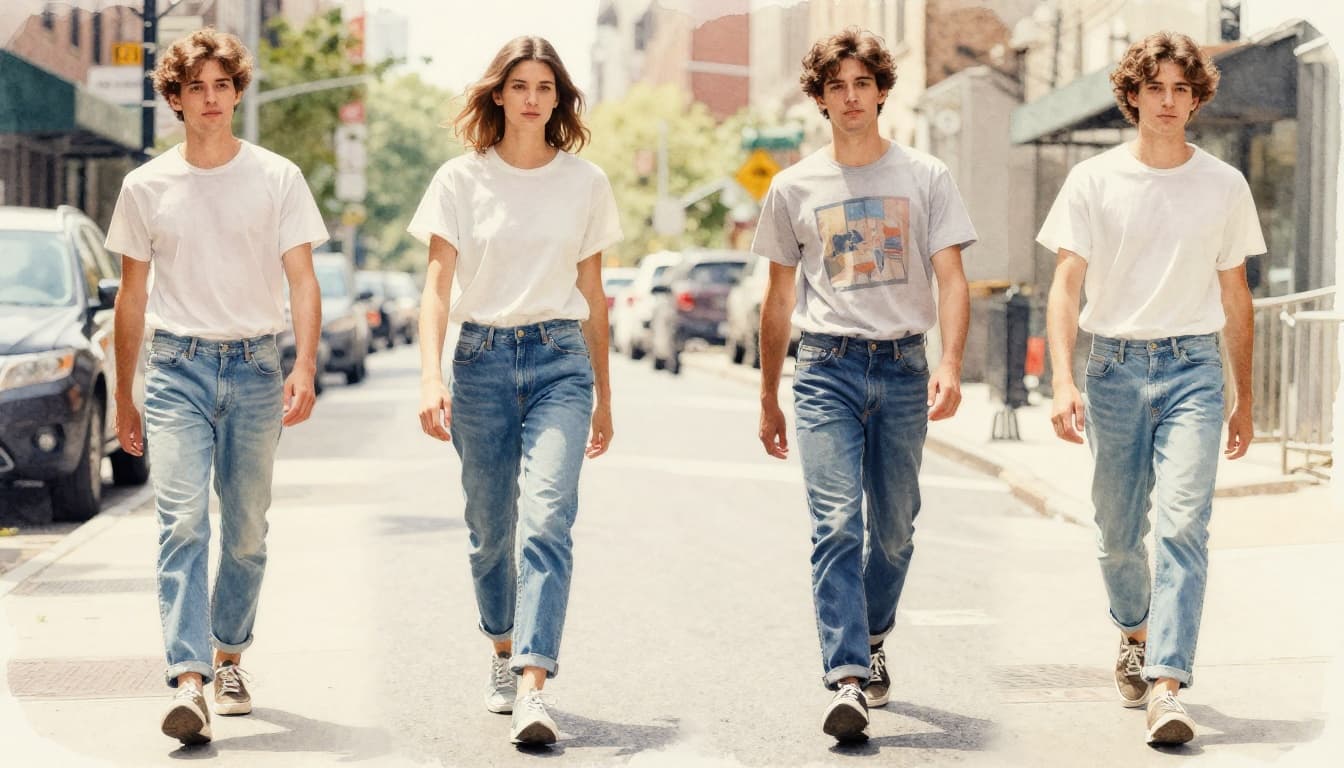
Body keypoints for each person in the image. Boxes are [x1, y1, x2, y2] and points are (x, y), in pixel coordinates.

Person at [106, 28, 327, 746]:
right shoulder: (145, 186)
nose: (210, 98)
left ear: (236, 92)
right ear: (175, 97)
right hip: (175, 370)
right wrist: (124, 394)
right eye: (194, 87)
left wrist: (304, 363)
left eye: (221, 85)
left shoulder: (276, 176)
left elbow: (301, 277)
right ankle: (190, 680)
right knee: (180, 523)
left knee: (246, 530)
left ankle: (230, 656)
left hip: (257, 368)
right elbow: (131, 299)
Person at [754, 27, 976, 742]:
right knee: (836, 525)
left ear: (882, 89)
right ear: (819, 98)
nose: (850, 98)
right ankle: (847, 676)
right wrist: (767, 396)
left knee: (894, 530)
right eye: (836, 86)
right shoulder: (792, 187)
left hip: (905, 366)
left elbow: (952, 278)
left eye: (862, 84)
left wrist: (949, 363)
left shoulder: (927, 176)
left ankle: (874, 634)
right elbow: (778, 300)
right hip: (824, 369)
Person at [1040, 30, 1261, 746]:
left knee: (1183, 527)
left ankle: (1168, 683)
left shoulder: (1224, 184)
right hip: (1111, 370)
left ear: (1197, 99)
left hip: (1194, 367)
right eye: (1155, 88)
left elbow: (1237, 297)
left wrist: (1244, 396)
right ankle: (1133, 632)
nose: (1168, 102)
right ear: (1131, 96)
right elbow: (1065, 286)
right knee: (1116, 535)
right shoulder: (1094, 180)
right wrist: (1062, 381)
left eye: (1181, 90)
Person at [409, 35, 621, 746]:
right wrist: (432, 375)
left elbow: (593, 293)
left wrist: (607, 395)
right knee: (489, 529)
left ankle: (533, 681)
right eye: (520, 85)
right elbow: (437, 287)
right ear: (498, 93)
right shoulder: (460, 180)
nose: (533, 98)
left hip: (561, 358)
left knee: (548, 519)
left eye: (546, 87)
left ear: (559, 99)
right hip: (482, 362)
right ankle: (501, 648)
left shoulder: (585, 182)